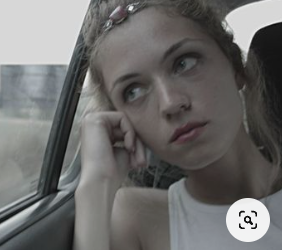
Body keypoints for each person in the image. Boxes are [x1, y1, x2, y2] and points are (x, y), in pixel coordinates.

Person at [73, 0, 282, 249]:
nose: (170, 103)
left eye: (184, 63)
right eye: (134, 91)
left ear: (235, 65)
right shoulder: (137, 217)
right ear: (122, 118)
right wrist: (95, 183)